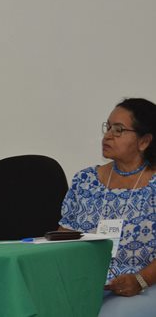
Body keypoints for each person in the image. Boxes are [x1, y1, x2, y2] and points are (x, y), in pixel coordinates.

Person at [59, 98, 156, 316]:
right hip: (86, 284)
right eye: (108, 127)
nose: (108, 135)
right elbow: (64, 237)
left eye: (119, 130)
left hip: (143, 286)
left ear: (144, 141)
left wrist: (140, 280)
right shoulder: (85, 180)